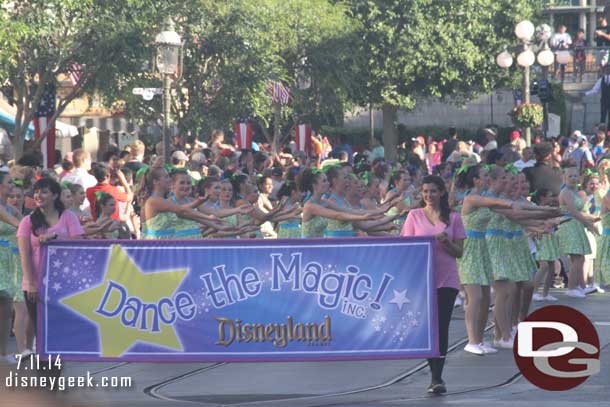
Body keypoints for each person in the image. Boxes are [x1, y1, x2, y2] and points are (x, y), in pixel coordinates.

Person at [400, 175, 465, 394]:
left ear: (442, 193)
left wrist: (446, 242)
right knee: (429, 328)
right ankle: (433, 372)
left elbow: (459, 253)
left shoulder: (453, 218)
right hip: (422, 279)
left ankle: (437, 377)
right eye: (425, 191)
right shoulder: (414, 216)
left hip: (446, 278)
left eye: (433, 191)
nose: (429, 195)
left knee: (442, 327)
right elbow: (406, 247)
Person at [17, 178, 85, 337]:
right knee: (40, 328)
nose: (38, 195)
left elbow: (79, 245)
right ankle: (42, 361)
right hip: (36, 283)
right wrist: (31, 284)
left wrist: (56, 239)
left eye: (44, 192)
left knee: (60, 328)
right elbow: (24, 255)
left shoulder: (68, 216)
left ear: (55, 195)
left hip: (63, 282)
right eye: (36, 192)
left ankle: (58, 361)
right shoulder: (27, 221)